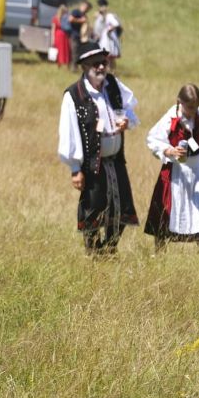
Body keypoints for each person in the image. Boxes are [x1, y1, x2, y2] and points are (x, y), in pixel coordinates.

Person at [58, 42, 140, 255]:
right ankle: (93, 253)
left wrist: (127, 122)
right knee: (93, 210)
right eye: (96, 63)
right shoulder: (74, 95)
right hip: (93, 163)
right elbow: (69, 133)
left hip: (116, 160)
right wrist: (75, 169)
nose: (102, 67)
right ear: (84, 66)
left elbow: (130, 107)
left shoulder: (113, 84)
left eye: (104, 62)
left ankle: (110, 248)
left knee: (121, 207)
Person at [143, 83, 199, 250]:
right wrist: (169, 150)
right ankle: (159, 256)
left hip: (197, 172)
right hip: (175, 173)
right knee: (166, 215)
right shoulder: (170, 118)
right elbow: (153, 139)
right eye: (190, 107)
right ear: (179, 101)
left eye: (196, 106)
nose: (193, 110)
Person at [93, 0, 121, 70]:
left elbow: (116, 24)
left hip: (109, 39)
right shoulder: (100, 16)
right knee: (107, 57)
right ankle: (109, 71)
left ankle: (111, 71)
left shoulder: (109, 16)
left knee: (109, 57)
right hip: (104, 38)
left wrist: (109, 30)